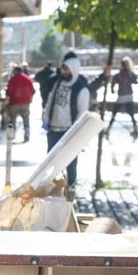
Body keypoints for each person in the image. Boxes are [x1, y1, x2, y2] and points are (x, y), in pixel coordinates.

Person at [44, 51, 90, 189]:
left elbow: (82, 112)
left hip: (69, 131)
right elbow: (50, 102)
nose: (64, 72)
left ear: (73, 69)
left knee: (71, 163)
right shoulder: (58, 84)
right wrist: (46, 119)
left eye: (67, 69)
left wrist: (75, 132)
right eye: (63, 69)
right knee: (50, 162)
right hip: (54, 129)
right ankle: (52, 189)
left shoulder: (81, 89)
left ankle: (71, 189)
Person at [105, 56, 138, 138]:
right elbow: (136, 81)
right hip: (129, 96)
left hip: (121, 97)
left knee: (114, 114)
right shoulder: (130, 74)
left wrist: (112, 90)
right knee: (132, 114)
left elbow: (113, 82)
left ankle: (108, 129)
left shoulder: (119, 75)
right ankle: (136, 129)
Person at [5, 65, 35, 137]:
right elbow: (33, 91)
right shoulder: (28, 79)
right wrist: (29, 99)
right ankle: (27, 135)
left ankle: (12, 136)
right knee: (26, 120)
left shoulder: (13, 79)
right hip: (25, 103)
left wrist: (6, 102)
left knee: (12, 120)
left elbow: (9, 92)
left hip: (14, 103)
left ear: (16, 71)